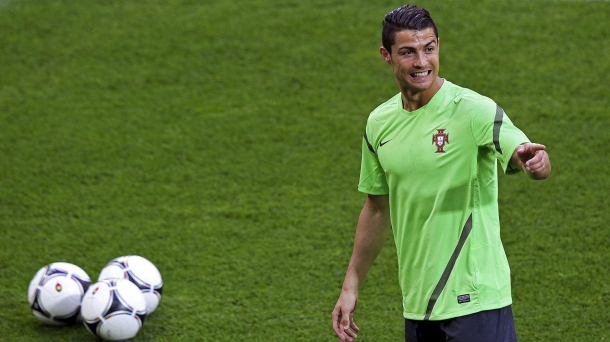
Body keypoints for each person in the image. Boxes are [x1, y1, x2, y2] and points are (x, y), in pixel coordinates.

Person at [331, 4, 551, 342]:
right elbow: (376, 208)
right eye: (408, 52)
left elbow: (522, 151)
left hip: (476, 300)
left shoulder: (473, 110)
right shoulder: (379, 123)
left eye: (429, 49)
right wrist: (351, 285)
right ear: (386, 55)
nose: (422, 62)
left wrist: (534, 163)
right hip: (419, 305)